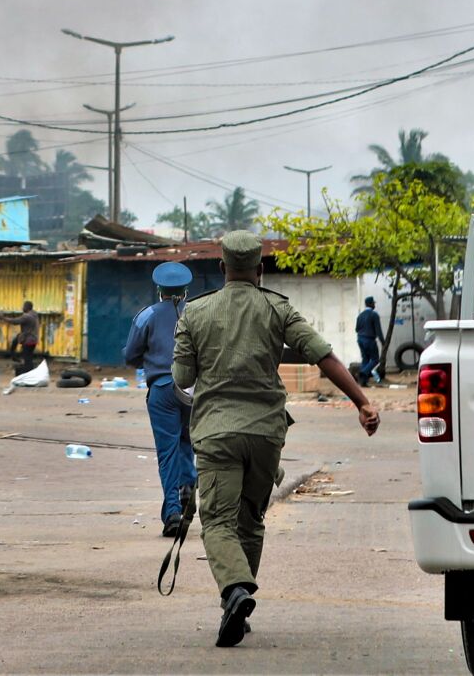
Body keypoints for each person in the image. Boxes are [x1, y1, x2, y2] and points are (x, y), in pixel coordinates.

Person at [173, 230, 381, 648]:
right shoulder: (278, 308)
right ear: (260, 269)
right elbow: (325, 356)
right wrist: (362, 402)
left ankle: (233, 590)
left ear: (221, 268)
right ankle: (239, 602)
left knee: (217, 519)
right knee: (251, 519)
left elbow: (182, 378)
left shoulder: (195, 313)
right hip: (267, 434)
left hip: (217, 432)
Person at [124, 261, 197, 537]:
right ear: (186, 291)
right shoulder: (197, 315)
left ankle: (173, 513)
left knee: (167, 452)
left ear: (160, 291)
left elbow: (130, 355)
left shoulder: (147, 316)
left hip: (162, 389)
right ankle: (188, 484)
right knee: (187, 441)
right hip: (192, 390)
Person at [354, 297, 383, 386]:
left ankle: (363, 382)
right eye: (373, 303)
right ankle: (363, 372)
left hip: (360, 339)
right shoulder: (374, 315)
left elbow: (356, 329)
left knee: (365, 359)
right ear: (370, 304)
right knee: (375, 359)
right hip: (369, 340)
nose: (374, 305)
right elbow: (378, 330)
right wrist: (383, 341)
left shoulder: (360, 315)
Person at [15, 300, 41, 372]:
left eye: (23, 306)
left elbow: (15, 321)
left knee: (27, 359)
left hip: (28, 340)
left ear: (27, 307)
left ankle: (29, 373)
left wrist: (3, 318)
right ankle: (29, 372)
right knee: (28, 357)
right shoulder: (34, 315)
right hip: (33, 340)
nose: (22, 308)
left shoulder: (27, 316)